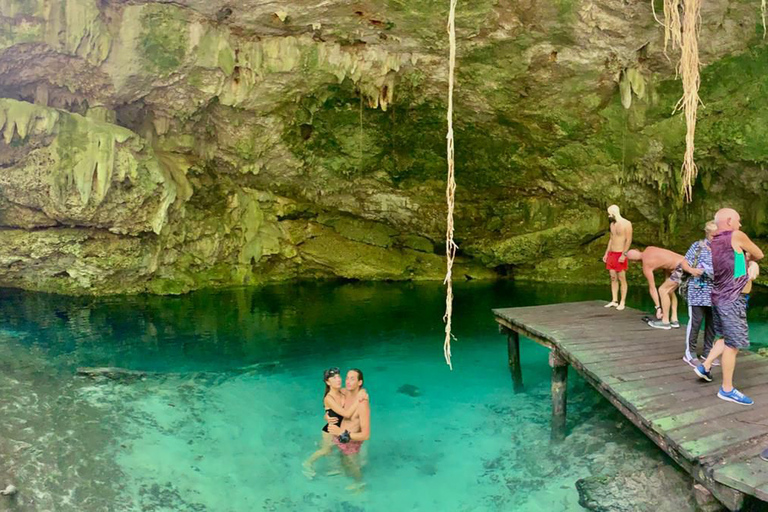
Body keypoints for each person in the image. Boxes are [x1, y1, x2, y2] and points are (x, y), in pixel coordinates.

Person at [694, 208, 763, 406]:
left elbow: (735, 263)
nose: (740, 225)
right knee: (733, 345)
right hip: (732, 299)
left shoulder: (715, 241)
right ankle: (727, 389)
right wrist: (753, 261)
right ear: (730, 220)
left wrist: (748, 263)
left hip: (719, 297)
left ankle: (705, 366)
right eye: (739, 220)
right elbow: (760, 253)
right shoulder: (737, 235)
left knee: (724, 337)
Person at [303, 367, 367, 478]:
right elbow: (346, 414)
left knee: (340, 450)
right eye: (333, 378)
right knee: (325, 450)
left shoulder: (343, 392)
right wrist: (358, 400)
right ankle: (307, 463)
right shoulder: (329, 398)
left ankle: (338, 469)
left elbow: (359, 390)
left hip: (341, 429)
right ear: (328, 382)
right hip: (330, 430)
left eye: (338, 376)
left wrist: (362, 393)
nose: (338, 379)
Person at [625, 246, 702, 329]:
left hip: (681, 267)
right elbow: (667, 261)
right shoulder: (649, 249)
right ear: (638, 250)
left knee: (662, 290)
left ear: (634, 262)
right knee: (669, 291)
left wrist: (658, 308)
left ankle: (665, 321)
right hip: (686, 262)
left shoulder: (646, 265)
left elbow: (652, 288)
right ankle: (674, 319)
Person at [682, 221, 717, 368]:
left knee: (713, 323)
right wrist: (692, 270)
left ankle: (708, 351)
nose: (716, 238)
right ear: (707, 233)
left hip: (715, 291)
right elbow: (684, 263)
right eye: (713, 235)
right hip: (698, 290)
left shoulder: (722, 248)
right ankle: (690, 353)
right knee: (696, 321)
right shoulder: (697, 246)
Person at [327, 369, 370, 490]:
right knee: (342, 459)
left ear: (359, 382)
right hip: (340, 437)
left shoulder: (362, 403)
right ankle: (342, 472)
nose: (348, 381)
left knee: (353, 465)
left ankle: (359, 484)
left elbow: (365, 435)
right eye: (347, 378)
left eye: (352, 379)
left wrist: (341, 433)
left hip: (351, 441)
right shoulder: (343, 393)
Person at [602, 205, 633, 311]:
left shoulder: (626, 224)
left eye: (610, 213)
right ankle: (614, 300)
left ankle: (622, 301)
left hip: (620, 253)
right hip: (612, 253)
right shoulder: (612, 224)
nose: (609, 215)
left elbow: (628, 240)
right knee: (613, 277)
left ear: (615, 212)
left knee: (622, 278)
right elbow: (611, 239)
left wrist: (624, 254)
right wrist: (606, 253)